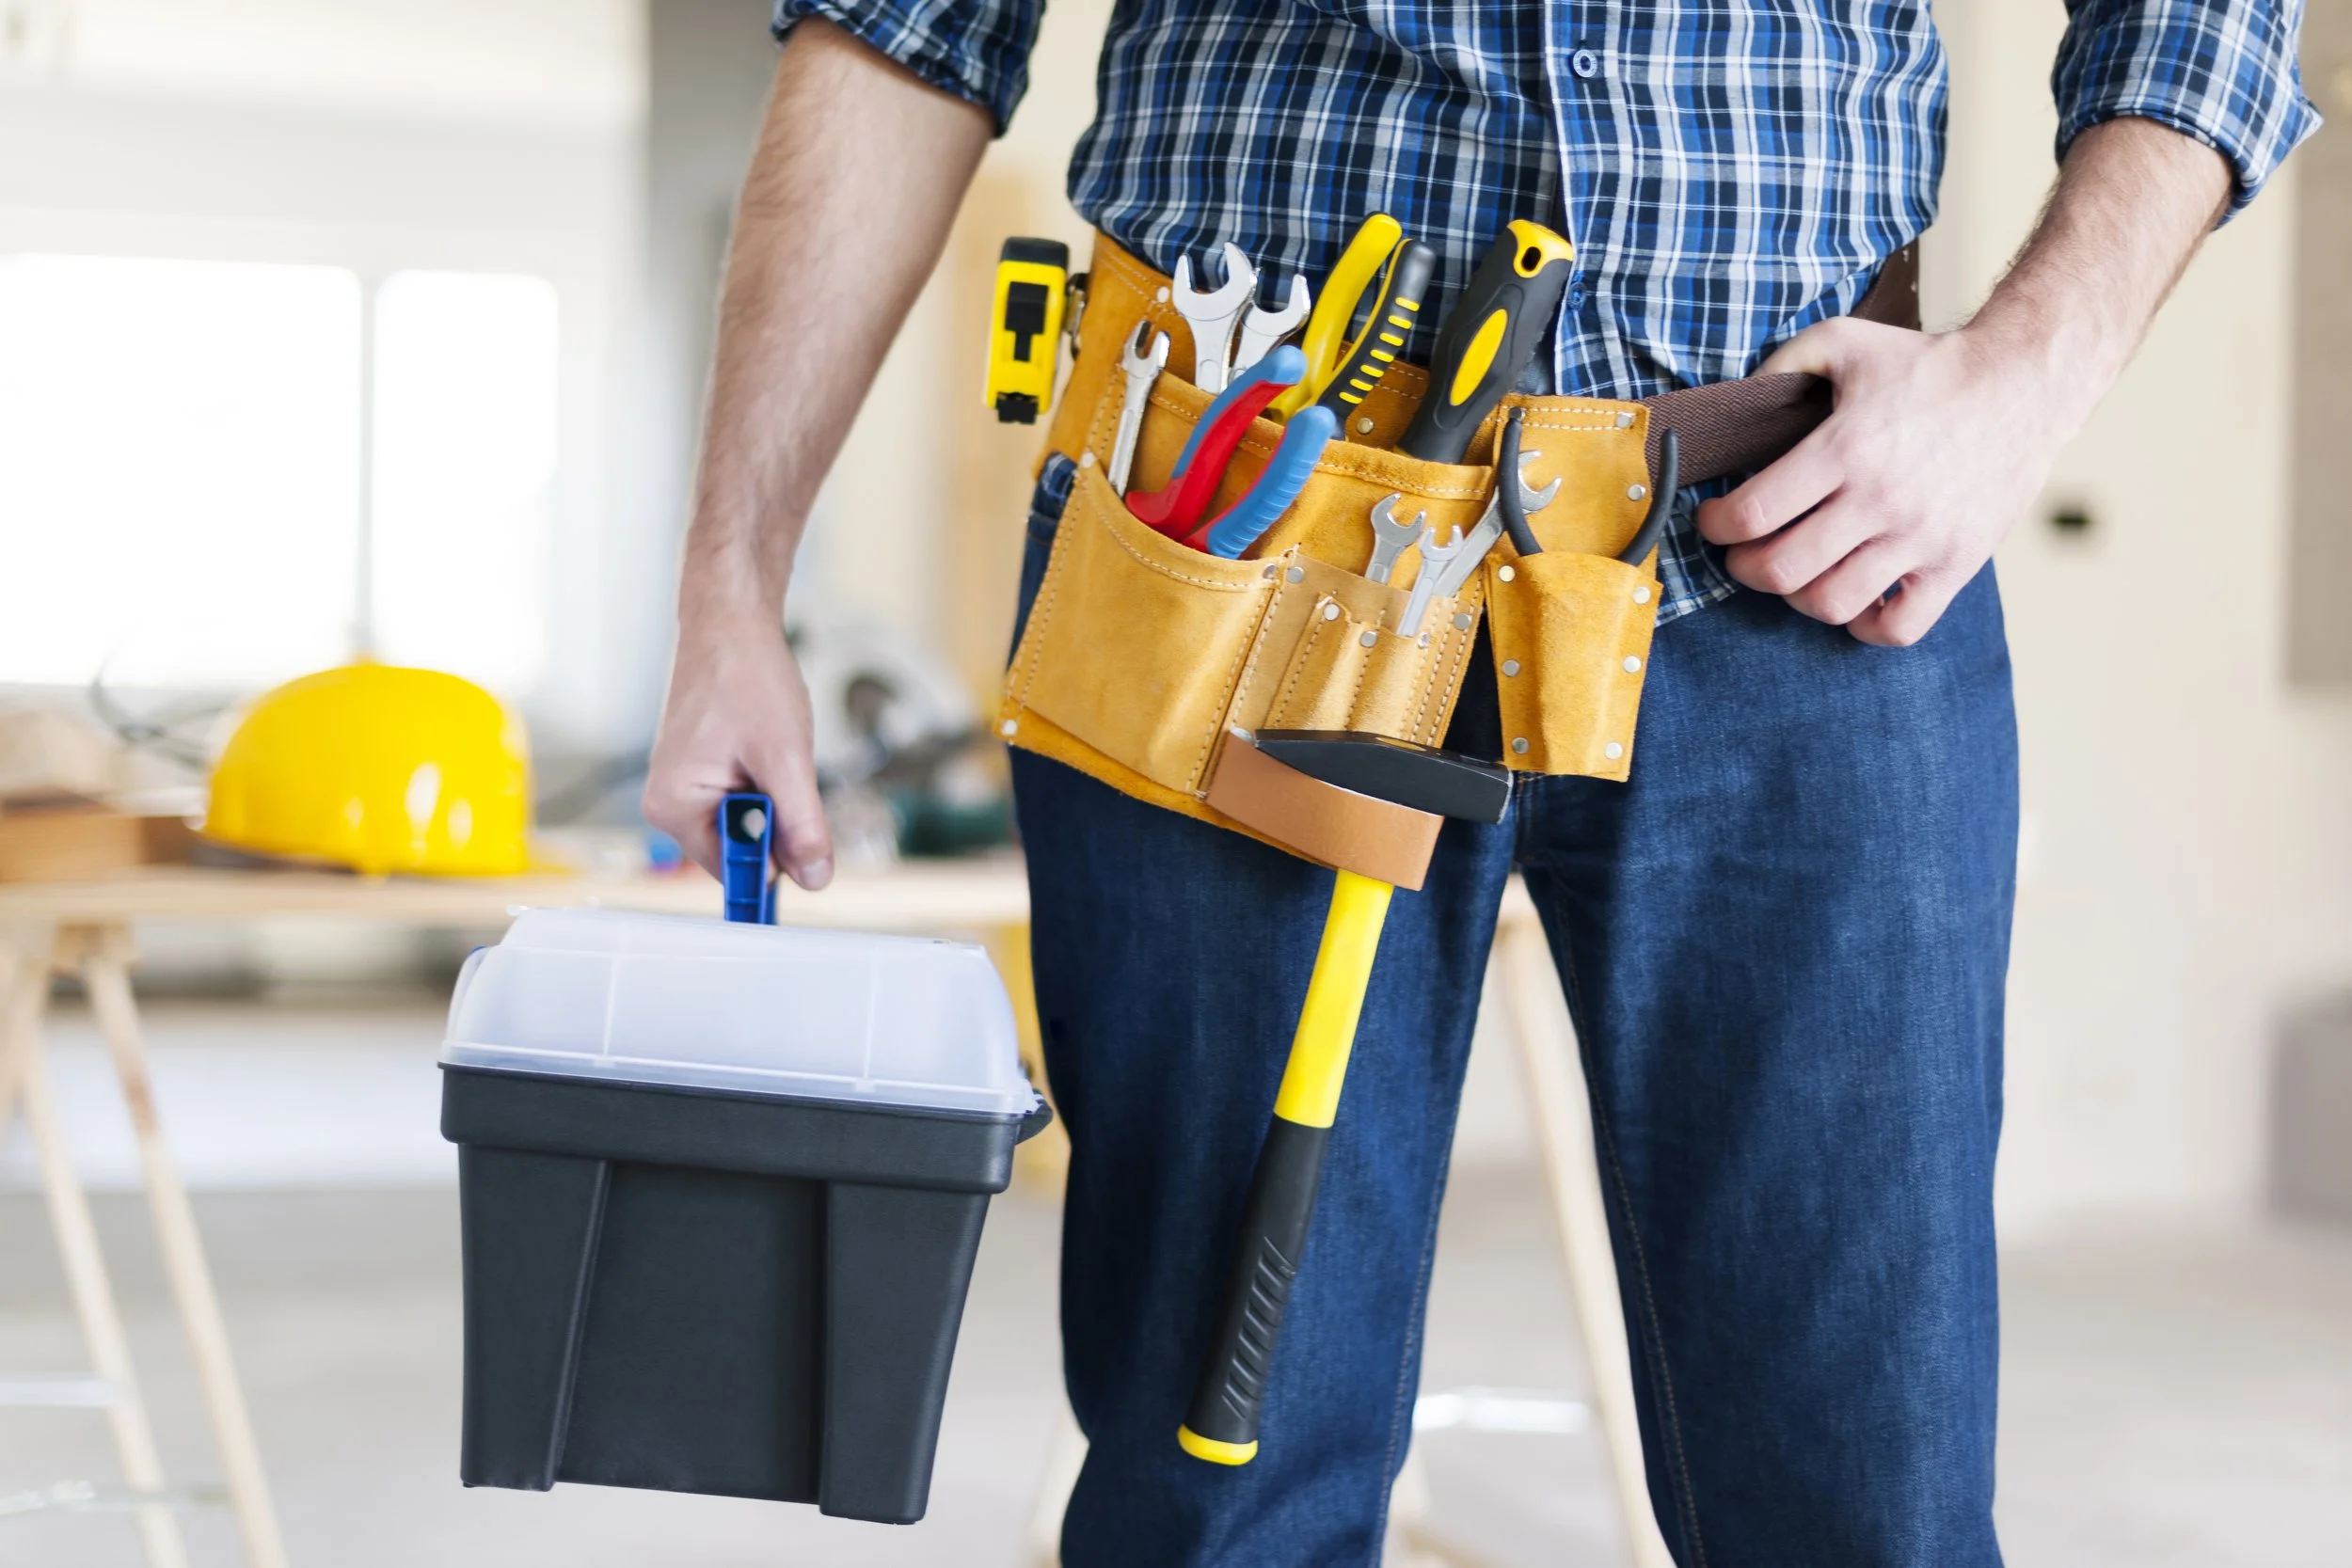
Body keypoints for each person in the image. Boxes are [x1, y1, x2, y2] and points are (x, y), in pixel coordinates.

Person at [644, 3, 2314, 1562]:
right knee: (1222, 1486)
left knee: (1863, 1495)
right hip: (1233, 572)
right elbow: (904, 25)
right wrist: (730, 583)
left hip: (1813, 552)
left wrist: (2026, 380)